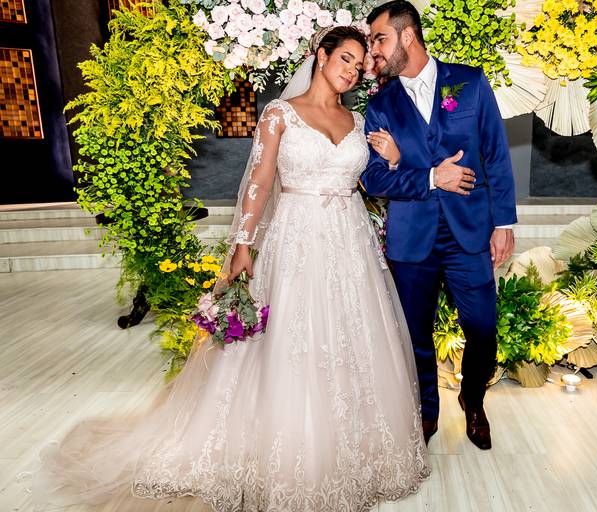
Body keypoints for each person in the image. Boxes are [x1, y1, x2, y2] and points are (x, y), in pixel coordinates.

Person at [23, 26, 430, 512]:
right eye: (345, 58)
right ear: (321, 56)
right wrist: (243, 243)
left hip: (350, 241)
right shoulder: (280, 114)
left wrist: (395, 160)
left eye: (359, 66)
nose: (352, 71)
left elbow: (367, 181)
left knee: (352, 337)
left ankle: (352, 448)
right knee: (290, 339)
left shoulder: (359, 121)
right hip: (296, 239)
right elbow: (259, 180)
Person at [361, 1, 518, 451]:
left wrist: (504, 222)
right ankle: (426, 413)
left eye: (380, 39)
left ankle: (474, 400)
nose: (374, 50)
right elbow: (373, 178)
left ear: (408, 36)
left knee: (482, 327)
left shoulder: (470, 82)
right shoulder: (381, 106)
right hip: (412, 239)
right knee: (416, 335)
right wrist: (431, 177)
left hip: (470, 232)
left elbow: (495, 154)